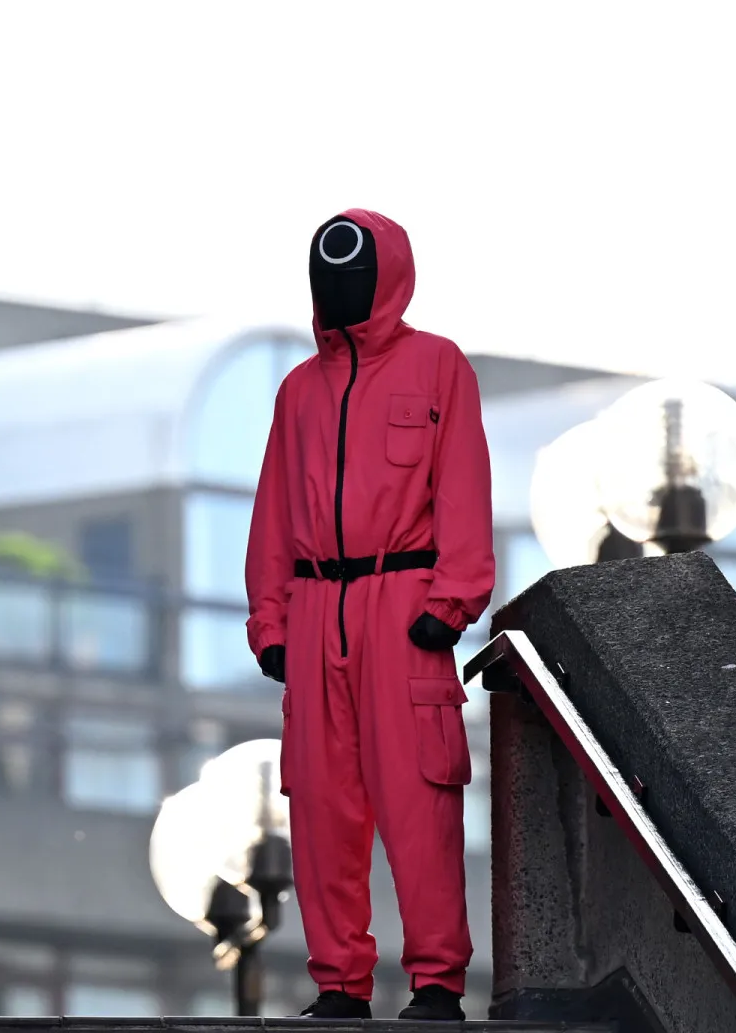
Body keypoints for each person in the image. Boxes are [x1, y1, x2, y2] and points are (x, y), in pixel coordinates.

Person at [244, 209, 495, 1022]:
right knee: (321, 804)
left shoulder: (438, 366)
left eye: (352, 274)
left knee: (419, 801)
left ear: (386, 277)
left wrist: (452, 600)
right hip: (317, 608)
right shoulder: (298, 391)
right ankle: (339, 984)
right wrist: (271, 623)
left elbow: (463, 483)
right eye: (328, 276)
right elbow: (274, 512)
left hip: (404, 606)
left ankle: (437, 983)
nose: (338, 287)